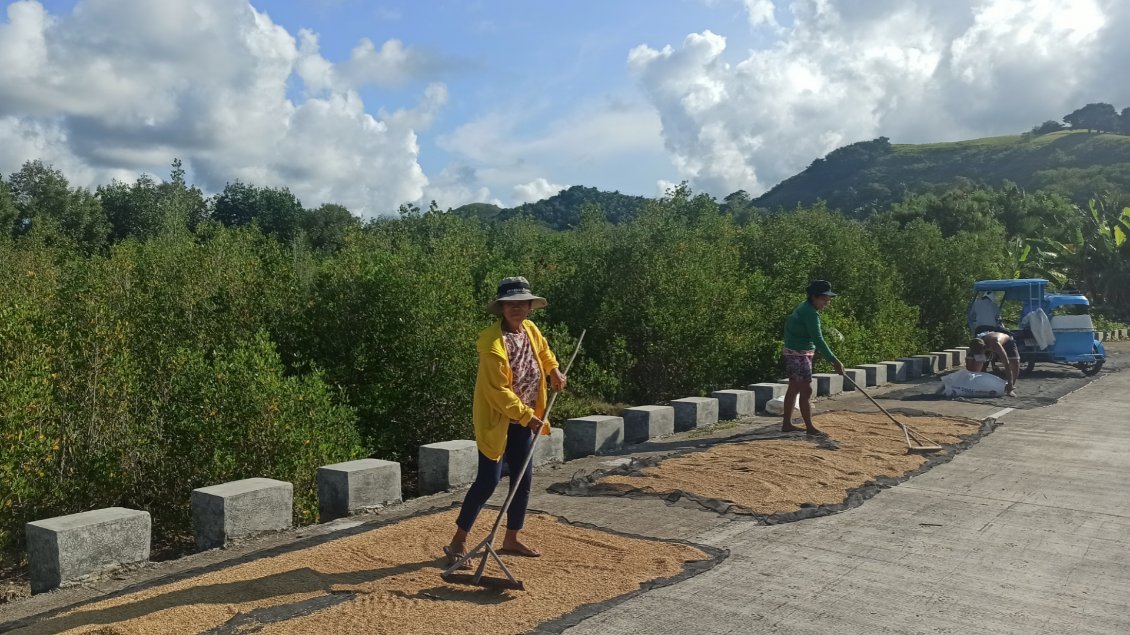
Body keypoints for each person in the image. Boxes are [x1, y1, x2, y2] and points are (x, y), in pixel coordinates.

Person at [444, 276, 567, 568]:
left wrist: (554, 371)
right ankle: (458, 541)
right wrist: (529, 418)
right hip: (499, 422)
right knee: (487, 481)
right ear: (501, 308)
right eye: (510, 304)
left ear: (529, 307)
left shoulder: (531, 330)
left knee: (522, 480)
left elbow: (544, 352)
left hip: (525, 420)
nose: (516, 309)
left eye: (521, 303)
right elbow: (497, 392)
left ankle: (511, 538)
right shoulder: (491, 343)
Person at [781, 280, 845, 436]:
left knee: (794, 388)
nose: (827, 303)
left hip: (798, 351)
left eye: (828, 299)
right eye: (824, 299)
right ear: (814, 297)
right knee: (806, 389)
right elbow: (818, 339)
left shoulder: (806, 307)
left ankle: (787, 424)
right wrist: (834, 361)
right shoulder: (809, 313)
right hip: (797, 353)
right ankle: (810, 427)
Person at [968, 332, 1019, 397]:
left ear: (985, 347)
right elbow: (972, 367)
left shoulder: (996, 345)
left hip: (1007, 342)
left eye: (981, 353)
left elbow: (1007, 365)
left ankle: (1010, 387)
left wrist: (1010, 384)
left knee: (1015, 363)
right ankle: (979, 384)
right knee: (978, 364)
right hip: (985, 338)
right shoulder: (977, 343)